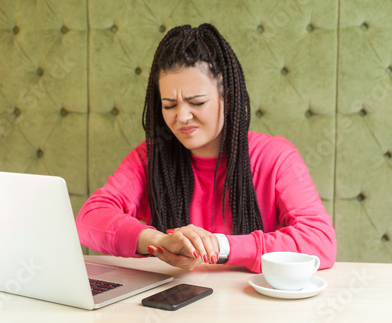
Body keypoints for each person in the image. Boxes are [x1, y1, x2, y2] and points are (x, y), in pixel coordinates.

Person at [76, 23, 336, 273]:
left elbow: (320, 241)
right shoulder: (150, 158)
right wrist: (158, 241)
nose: (182, 117)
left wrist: (218, 246)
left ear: (230, 99)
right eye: (169, 105)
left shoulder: (275, 157)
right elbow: (89, 220)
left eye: (197, 102)